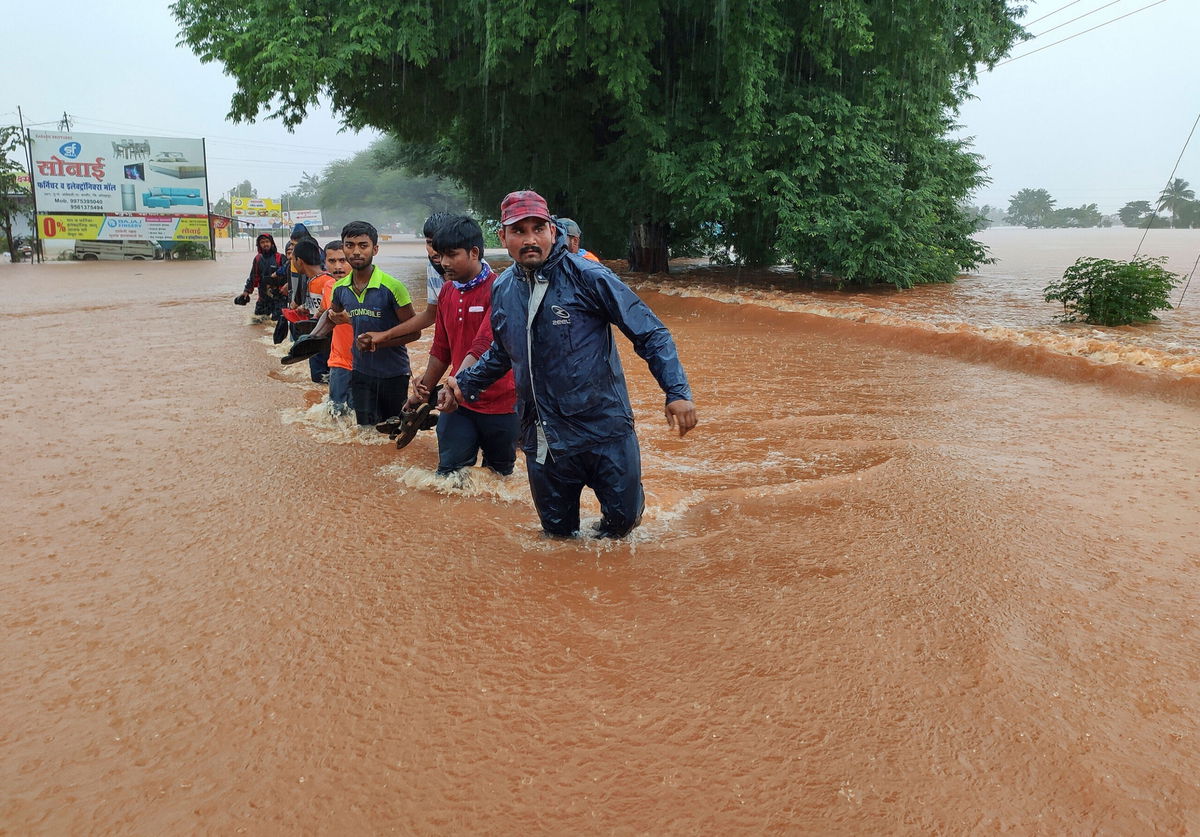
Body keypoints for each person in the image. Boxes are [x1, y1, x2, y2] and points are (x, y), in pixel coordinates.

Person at [441, 190, 697, 538]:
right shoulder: (502, 289)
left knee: (623, 526)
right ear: (502, 237)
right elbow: (504, 352)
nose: (530, 240)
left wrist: (676, 392)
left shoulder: (589, 276)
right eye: (519, 231)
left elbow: (650, 333)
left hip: (604, 430)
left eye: (537, 229)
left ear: (552, 230)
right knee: (557, 536)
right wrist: (465, 384)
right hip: (543, 436)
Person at [405, 215, 518, 476]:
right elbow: (441, 350)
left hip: (502, 405)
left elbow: (482, 345)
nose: (444, 263)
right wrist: (421, 394)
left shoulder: (502, 289)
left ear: (474, 252)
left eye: (451, 255)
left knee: (499, 478)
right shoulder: (447, 291)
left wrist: (451, 385)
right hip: (459, 405)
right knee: (448, 476)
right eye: (440, 255)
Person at [329, 221, 418, 426]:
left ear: (375, 249)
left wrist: (379, 342)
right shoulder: (340, 288)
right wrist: (311, 338)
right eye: (350, 245)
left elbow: (415, 333)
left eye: (363, 245)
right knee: (366, 433)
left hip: (394, 374)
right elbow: (332, 315)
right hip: (360, 372)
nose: (356, 251)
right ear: (343, 248)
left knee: (393, 432)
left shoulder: (392, 287)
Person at [289, 239, 334, 383]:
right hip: (316, 339)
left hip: (325, 341)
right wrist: (304, 308)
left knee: (323, 379)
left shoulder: (327, 281)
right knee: (318, 380)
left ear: (299, 261)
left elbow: (331, 310)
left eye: (293, 258)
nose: (291, 260)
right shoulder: (311, 280)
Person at [319, 241, 354, 416]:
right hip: (339, 361)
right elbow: (324, 316)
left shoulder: (369, 287)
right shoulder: (328, 286)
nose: (338, 266)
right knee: (336, 413)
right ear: (324, 263)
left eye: (342, 260)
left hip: (367, 363)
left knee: (363, 419)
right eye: (331, 261)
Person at [237, 233, 288, 320]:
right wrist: (246, 291)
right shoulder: (257, 259)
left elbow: (288, 275)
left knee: (279, 322)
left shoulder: (281, 257)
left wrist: (287, 286)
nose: (265, 244)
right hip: (263, 296)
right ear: (259, 245)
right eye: (262, 242)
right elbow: (253, 276)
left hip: (279, 296)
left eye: (267, 241)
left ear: (272, 243)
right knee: (257, 321)